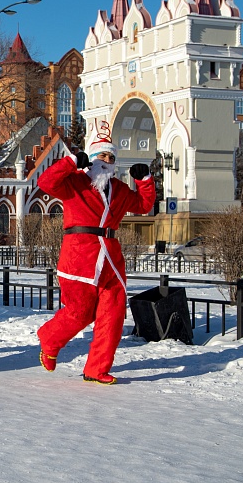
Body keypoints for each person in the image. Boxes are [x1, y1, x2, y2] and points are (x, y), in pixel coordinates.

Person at [36, 121, 155, 385]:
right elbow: (45, 182)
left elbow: (143, 205)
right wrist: (70, 163)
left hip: (111, 259)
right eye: (102, 156)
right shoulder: (74, 183)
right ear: (91, 158)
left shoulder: (120, 190)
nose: (107, 161)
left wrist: (144, 180)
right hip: (79, 257)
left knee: (112, 316)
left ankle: (96, 369)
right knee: (80, 311)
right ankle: (50, 339)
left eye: (111, 158)